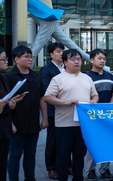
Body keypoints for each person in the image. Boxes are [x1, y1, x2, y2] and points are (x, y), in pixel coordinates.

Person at [44, 49, 99, 181]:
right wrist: (65, 102)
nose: (76, 62)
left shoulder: (87, 78)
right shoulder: (58, 79)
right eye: (72, 59)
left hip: (83, 123)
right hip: (64, 124)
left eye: (78, 59)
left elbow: (95, 94)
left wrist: (94, 101)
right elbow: (47, 97)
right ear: (65, 62)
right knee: (63, 155)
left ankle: (78, 178)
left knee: (80, 155)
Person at [4, 46, 48, 181]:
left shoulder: (35, 76)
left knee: (31, 154)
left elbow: (42, 98)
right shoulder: (8, 77)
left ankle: (30, 178)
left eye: (31, 56)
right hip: (16, 123)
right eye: (26, 56)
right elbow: (4, 103)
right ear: (16, 59)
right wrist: (10, 124)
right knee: (15, 154)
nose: (30, 59)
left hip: (33, 122)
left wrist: (45, 118)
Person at [39, 42, 72, 179]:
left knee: (67, 139)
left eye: (63, 51)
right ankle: (51, 167)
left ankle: (67, 164)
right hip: (54, 110)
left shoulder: (68, 68)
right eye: (58, 51)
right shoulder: (46, 70)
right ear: (51, 54)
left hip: (69, 109)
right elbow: (48, 92)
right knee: (53, 140)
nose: (61, 53)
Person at [85, 49, 113, 181]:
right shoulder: (86, 77)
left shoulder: (110, 76)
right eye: (99, 58)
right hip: (92, 116)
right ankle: (90, 170)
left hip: (107, 115)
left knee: (107, 143)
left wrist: (110, 105)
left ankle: (105, 169)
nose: (102, 60)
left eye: (104, 58)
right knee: (91, 144)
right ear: (91, 60)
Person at [0, 46, 24, 181]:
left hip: (4, 128)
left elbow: (3, 100)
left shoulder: (2, 78)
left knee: (2, 167)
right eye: (3, 59)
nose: (6, 61)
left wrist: (11, 103)